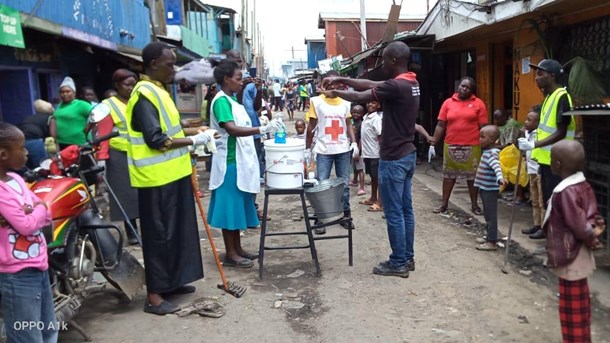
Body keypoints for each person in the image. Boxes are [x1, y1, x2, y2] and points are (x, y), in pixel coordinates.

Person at [125, 42, 215, 315]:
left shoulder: (160, 91)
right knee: (159, 237)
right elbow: (157, 140)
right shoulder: (143, 96)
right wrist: (193, 140)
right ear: (153, 65)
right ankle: (154, 296)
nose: (173, 69)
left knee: (177, 233)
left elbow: (170, 127)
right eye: (169, 64)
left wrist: (196, 128)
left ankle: (172, 282)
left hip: (173, 175)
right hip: (155, 180)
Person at [321, 41, 419, 277]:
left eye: (384, 59)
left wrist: (335, 92)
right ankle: (407, 258)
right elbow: (371, 84)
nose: (382, 64)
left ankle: (398, 263)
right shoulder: (410, 82)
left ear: (393, 61)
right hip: (407, 154)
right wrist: (343, 81)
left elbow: (362, 94)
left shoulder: (396, 86)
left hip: (394, 158)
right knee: (406, 210)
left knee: (394, 212)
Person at [207, 59, 283, 268]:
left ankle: (238, 248)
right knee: (230, 209)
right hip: (230, 163)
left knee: (238, 206)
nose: (241, 83)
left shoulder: (233, 100)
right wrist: (262, 130)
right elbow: (231, 129)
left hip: (240, 162)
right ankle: (230, 253)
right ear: (226, 79)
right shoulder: (221, 101)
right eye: (238, 79)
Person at [0, 123, 57, 343]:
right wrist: (37, 210)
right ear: (3, 154)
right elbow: (27, 225)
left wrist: (36, 210)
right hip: (16, 274)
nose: (26, 152)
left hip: (38, 266)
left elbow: (44, 209)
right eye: (22, 148)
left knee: (47, 329)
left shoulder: (16, 179)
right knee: (27, 336)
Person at [543, 140, 605, 343]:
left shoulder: (565, 192)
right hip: (579, 251)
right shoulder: (582, 184)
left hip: (571, 254)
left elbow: (579, 226)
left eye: (551, 159)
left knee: (572, 308)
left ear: (557, 165)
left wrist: (591, 237)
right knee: (580, 301)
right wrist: (594, 235)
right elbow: (592, 217)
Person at [518, 59, 576, 239]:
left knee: (556, 199)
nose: (536, 78)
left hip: (558, 159)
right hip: (545, 158)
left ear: (552, 76)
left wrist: (534, 144)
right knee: (546, 198)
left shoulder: (561, 97)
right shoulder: (549, 97)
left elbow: (561, 131)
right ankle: (545, 227)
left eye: (541, 74)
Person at [305, 70, 358, 235]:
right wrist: (307, 149)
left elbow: (348, 124)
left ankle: (346, 216)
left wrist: (354, 142)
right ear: (322, 83)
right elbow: (311, 126)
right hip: (323, 149)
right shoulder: (316, 101)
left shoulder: (345, 102)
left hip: (342, 149)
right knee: (321, 184)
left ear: (339, 84)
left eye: (334, 82)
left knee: (344, 184)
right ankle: (320, 217)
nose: (331, 85)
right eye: (327, 82)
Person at [429, 76, 488, 216]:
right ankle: (444, 204)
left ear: (472, 90)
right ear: (458, 86)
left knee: (472, 178)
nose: (464, 89)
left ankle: (474, 205)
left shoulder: (478, 104)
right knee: (449, 177)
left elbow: (484, 127)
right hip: (451, 145)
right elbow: (441, 125)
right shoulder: (448, 103)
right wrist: (434, 141)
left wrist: (487, 144)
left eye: (467, 87)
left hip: (472, 146)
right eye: (462, 86)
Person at [95, 69, 141, 245]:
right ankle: (131, 231)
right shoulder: (108, 105)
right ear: (117, 85)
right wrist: (102, 159)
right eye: (127, 85)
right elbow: (103, 134)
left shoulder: (138, 101)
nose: (131, 88)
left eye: (133, 84)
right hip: (119, 155)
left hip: (140, 152)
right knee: (125, 194)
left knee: (141, 193)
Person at [473, 125, 507, 251]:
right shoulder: (487, 152)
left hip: (489, 190)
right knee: (487, 214)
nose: (479, 140)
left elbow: (496, 166)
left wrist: (500, 178)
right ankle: (489, 236)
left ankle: (492, 241)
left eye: (482, 137)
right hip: (485, 188)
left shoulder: (492, 154)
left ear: (492, 139)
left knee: (491, 215)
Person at [521, 106, 545, 238]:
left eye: (529, 120)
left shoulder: (540, 135)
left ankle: (543, 227)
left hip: (539, 170)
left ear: (537, 123)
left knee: (542, 201)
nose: (525, 121)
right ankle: (537, 224)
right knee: (534, 199)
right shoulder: (527, 133)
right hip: (531, 170)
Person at [53, 77, 93, 149]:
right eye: (62, 92)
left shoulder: (82, 104)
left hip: (79, 143)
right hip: (61, 143)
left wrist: (88, 128)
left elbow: (97, 117)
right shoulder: (59, 106)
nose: (65, 94)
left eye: (68, 91)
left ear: (74, 92)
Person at [17, 100, 57, 169]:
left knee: (27, 166)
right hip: (34, 140)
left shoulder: (30, 117)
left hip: (18, 141)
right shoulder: (51, 117)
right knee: (42, 167)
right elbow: (53, 135)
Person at [359, 100, 383, 212]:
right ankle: (373, 198)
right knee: (373, 177)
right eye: (368, 102)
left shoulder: (376, 119)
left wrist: (382, 152)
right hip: (367, 153)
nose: (369, 104)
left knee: (378, 178)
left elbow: (380, 136)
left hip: (375, 153)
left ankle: (380, 202)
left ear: (378, 105)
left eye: (373, 103)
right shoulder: (365, 117)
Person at [350, 104, 366, 196]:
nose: (355, 114)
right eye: (354, 112)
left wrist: (359, 152)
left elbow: (361, 139)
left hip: (359, 150)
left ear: (362, 114)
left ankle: (362, 187)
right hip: (354, 148)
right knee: (354, 166)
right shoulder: (353, 123)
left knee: (360, 168)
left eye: (358, 113)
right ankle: (355, 180)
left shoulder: (361, 124)